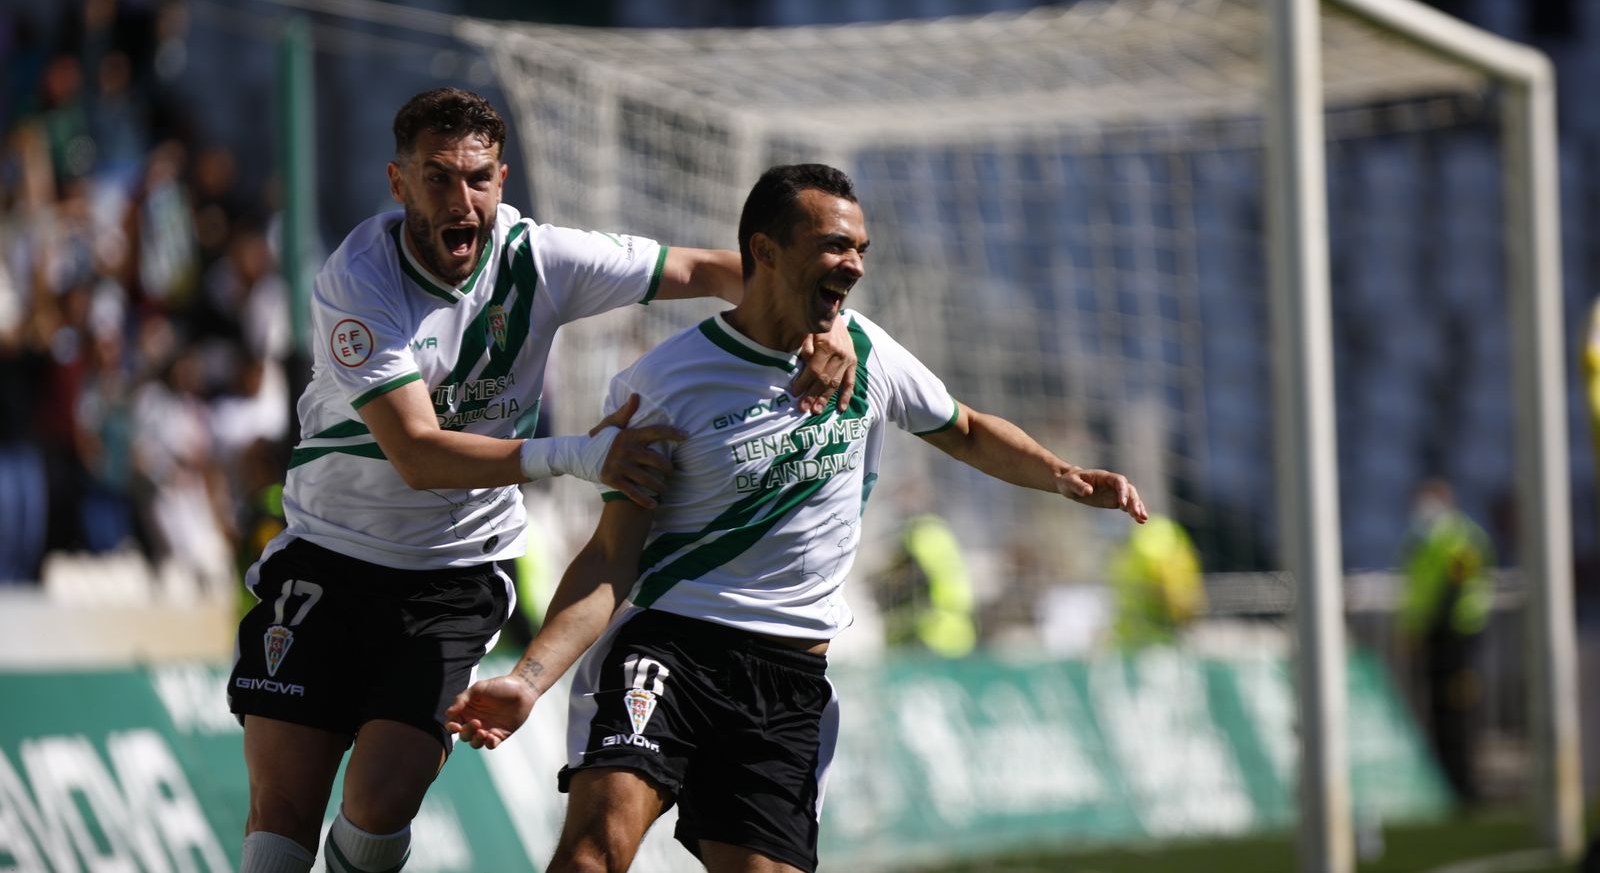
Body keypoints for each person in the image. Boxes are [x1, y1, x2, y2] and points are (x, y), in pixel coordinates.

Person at [447, 163, 1147, 873]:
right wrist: (530, 679)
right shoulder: (664, 383)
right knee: (594, 854)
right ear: (766, 251)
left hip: (790, 673)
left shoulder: (868, 353)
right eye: (835, 246)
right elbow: (610, 556)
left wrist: (1062, 476)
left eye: (861, 250)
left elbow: (962, 429)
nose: (854, 265)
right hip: (671, 649)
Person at [227, 90, 858, 873]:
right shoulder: (360, 282)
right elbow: (418, 455)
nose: (462, 200)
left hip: (448, 577)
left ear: (502, 177)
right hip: (328, 556)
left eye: (480, 178)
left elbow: (709, 269)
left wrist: (828, 322)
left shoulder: (543, 258)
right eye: (438, 178)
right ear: (398, 183)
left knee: (382, 798)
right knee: (280, 825)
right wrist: (574, 455)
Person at [1397, 478, 1494, 804]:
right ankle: (1447, 787)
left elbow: (1456, 587)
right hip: (1433, 639)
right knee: (1439, 714)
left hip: (1459, 638)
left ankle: (1465, 785)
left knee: (1459, 714)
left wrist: (1430, 624)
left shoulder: (1462, 538)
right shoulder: (1421, 542)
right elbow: (1417, 592)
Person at [875, 510, 978, 657]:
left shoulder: (920, 536)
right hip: (960, 628)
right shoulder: (942, 534)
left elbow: (916, 577)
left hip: (933, 630)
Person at [1108, 512, 1206, 650]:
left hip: (1143, 635)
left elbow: (1170, 589)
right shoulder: (1170, 539)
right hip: (1152, 635)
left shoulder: (1146, 543)